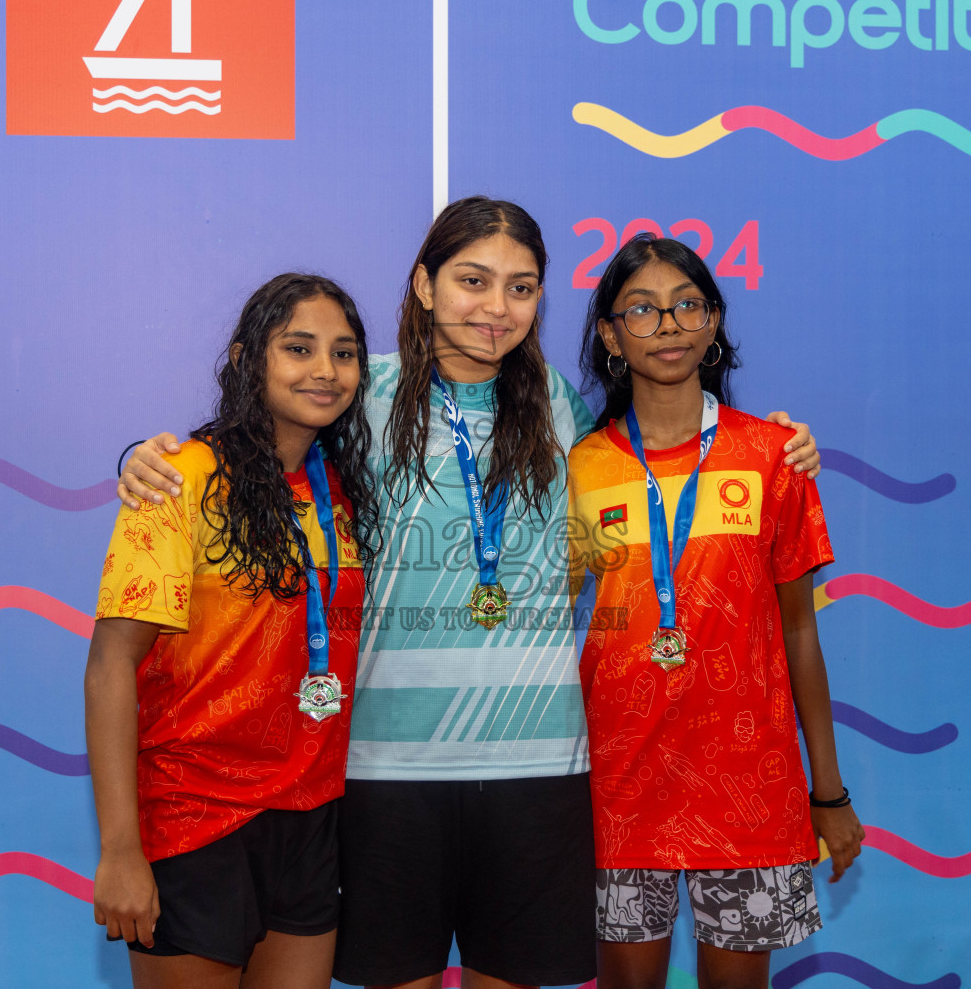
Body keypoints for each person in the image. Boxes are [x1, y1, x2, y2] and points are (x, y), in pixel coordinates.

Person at [116, 198, 822, 989]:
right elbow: (254, 453)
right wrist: (143, 457)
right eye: (473, 281)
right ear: (424, 285)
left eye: (521, 288)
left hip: (541, 769)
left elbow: (654, 469)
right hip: (387, 774)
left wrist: (776, 444)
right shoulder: (357, 394)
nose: (496, 307)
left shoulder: (559, 406)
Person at [568, 234, 863, 989]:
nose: (667, 325)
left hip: (749, 788)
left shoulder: (773, 456)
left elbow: (800, 629)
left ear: (713, 322)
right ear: (609, 334)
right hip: (617, 786)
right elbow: (541, 625)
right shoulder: (579, 465)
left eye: (686, 305)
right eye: (641, 309)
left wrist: (826, 792)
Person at [85, 274, 378, 989]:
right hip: (195, 817)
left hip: (310, 817)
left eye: (343, 354)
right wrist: (121, 848)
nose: (324, 370)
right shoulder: (179, 480)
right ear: (250, 361)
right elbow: (110, 666)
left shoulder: (340, 489)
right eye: (298, 348)